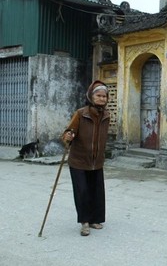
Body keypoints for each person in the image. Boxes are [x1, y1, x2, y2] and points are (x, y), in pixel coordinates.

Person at [62, 80, 111, 236]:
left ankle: (95, 219)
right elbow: (67, 132)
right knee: (82, 191)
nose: (102, 99)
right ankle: (84, 222)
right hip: (79, 160)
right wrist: (68, 136)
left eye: (104, 96)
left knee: (96, 191)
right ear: (91, 96)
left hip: (96, 161)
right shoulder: (80, 113)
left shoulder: (107, 115)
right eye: (99, 95)